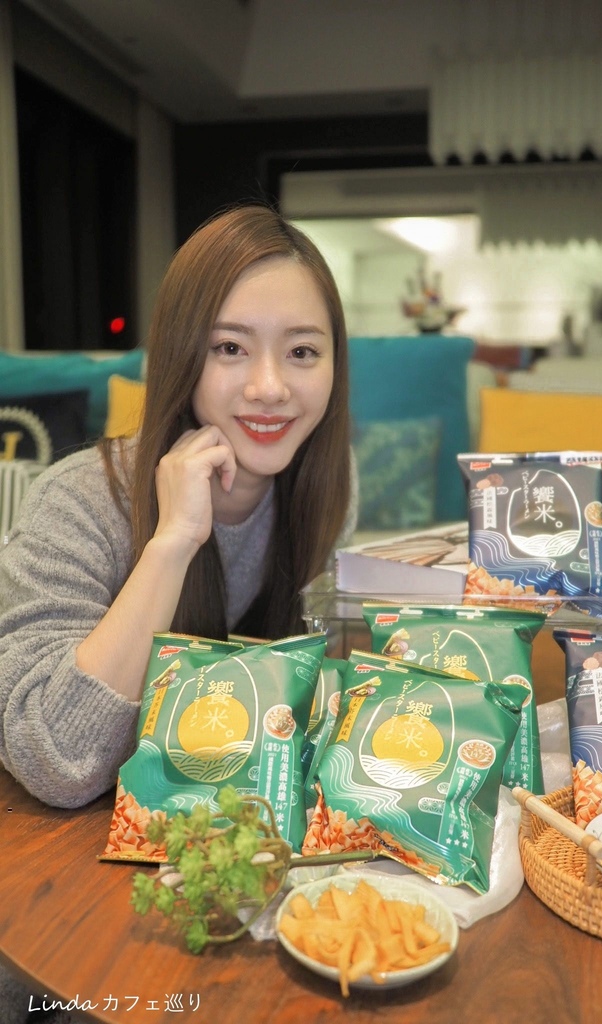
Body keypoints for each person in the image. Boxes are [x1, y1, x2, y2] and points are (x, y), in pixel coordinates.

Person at [0, 204, 356, 1024]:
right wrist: (171, 544)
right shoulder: (80, 501)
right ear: (182, 355)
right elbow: (55, 759)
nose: (269, 386)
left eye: (302, 351)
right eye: (230, 348)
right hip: (67, 911)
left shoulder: (319, 491)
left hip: (221, 884)